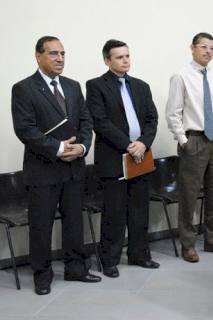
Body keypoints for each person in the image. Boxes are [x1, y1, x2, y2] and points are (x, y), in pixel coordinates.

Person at [11, 36, 101, 295]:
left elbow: (86, 122)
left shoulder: (73, 87)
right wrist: (60, 149)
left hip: (74, 168)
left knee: (74, 221)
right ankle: (42, 274)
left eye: (62, 53)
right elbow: (25, 130)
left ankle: (76, 269)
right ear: (38, 56)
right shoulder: (24, 88)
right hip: (43, 170)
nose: (60, 58)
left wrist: (82, 148)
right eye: (53, 53)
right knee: (41, 225)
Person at [86, 39, 160, 278]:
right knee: (114, 213)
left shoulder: (141, 86)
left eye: (127, 56)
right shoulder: (96, 86)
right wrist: (128, 145)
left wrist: (143, 144)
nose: (125, 60)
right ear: (107, 60)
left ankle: (139, 255)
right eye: (119, 57)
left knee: (139, 211)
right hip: (113, 158)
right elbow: (100, 122)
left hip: (140, 157)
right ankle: (109, 261)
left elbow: (152, 119)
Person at [166, 32, 213, 263]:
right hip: (193, 139)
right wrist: (183, 141)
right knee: (189, 194)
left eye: (212, 48)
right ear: (192, 48)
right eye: (203, 47)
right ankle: (188, 244)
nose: (208, 51)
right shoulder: (181, 76)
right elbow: (173, 113)